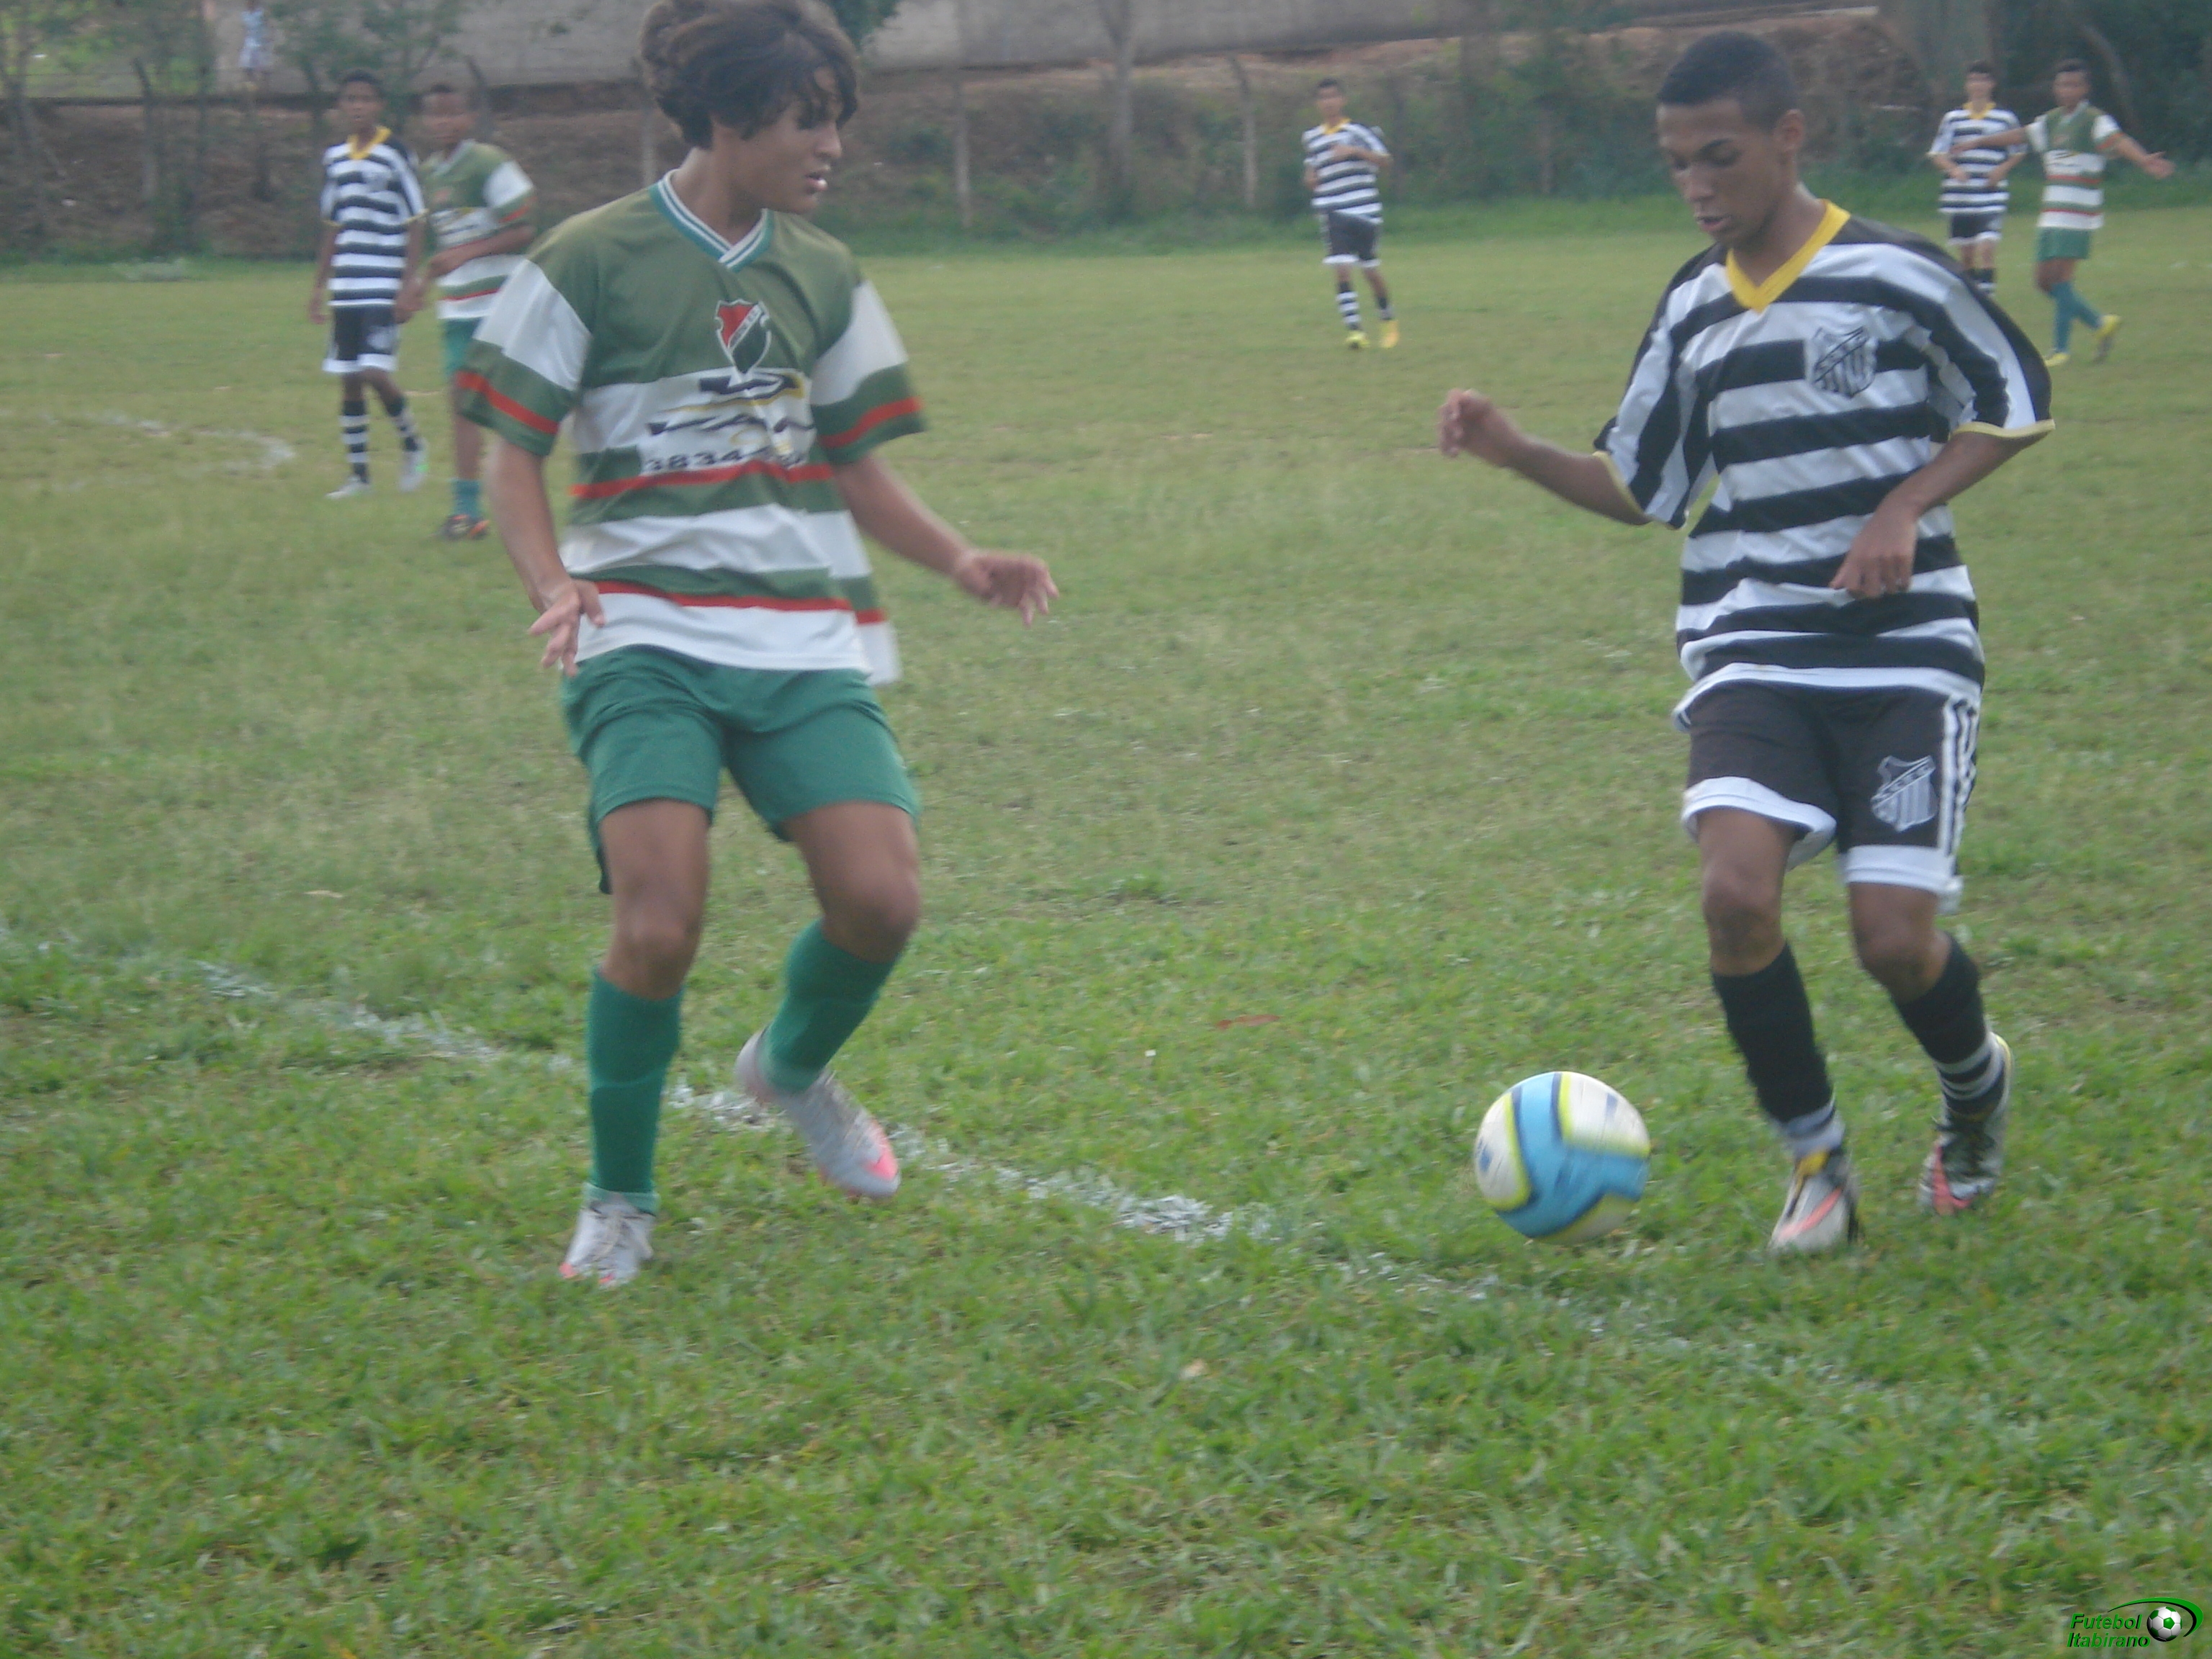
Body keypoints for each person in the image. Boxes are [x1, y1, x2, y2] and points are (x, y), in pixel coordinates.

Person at [462, 0, 1058, 1287]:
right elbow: (511, 452)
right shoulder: (587, 258)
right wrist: (553, 580)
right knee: (660, 918)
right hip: (639, 633)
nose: (831, 144)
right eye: (808, 119)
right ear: (729, 119)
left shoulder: (826, 271)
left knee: (883, 900)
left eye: (836, 119)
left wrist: (961, 559)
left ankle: (786, 1070)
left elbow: (857, 467)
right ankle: (619, 1199)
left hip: (797, 637)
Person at [1438, 32, 2051, 1253]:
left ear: (1787, 136)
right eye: (1676, 164)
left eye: (1717, 156)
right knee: (1733, 895)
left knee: (1893, 939)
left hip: (1905, 649)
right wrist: (1514, 451)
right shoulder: (1693, 306)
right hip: (1755, 640)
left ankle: (1974, 1086)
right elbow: (1643, 487)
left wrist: (1902, 506)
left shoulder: (1895, 273)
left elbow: (2016, 400)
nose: (1697, 185)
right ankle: (1815, 1162)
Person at [1956, 60, 2174, 367]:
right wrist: (1980, 141)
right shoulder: (2052, 121)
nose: (2066, 90)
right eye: (2061, 85)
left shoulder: (2094, 120)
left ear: (2085, 89)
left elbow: (2119, 141)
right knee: (2043, 282)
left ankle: (2061, 349)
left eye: (2073, 85)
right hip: (2052, 211)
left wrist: (2144, 160)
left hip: (2077, 212)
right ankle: (2100, 323)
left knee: (2061, 279)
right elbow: (2021, 135)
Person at [397, 84, 537, 539]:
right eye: (435, 115)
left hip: (504, 302)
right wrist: (417, 285)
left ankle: (523, 504)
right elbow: (436, 241)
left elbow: (524, 228)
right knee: (461, 402)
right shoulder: (429, 172)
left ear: (470, 117)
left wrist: (467, 253)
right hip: (458, 309)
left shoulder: (488, 164)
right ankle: (466, 512)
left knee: (514, 409)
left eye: (453, 113)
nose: (444, 122)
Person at [309, 70, 428, 499]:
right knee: (349, 377)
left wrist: (408, 283)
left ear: (379, 105)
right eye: (350, 98)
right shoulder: (335, 158)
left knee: (375, 372)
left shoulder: (396, 154)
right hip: (347, 284)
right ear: (341, 105)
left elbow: (417, 220)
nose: (357, 106)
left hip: (384, 280)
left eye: (365, 99)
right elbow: (333, 224)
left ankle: (413, 445)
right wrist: (318, 286)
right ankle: (359, 478)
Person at [1300, 78, 1395, 350]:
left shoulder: (1359, 132)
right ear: (1317, 104)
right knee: (1342, 269)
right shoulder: (1312, 137)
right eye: (1323, 98)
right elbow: (1312, 168)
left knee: (1370, 271)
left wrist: (1354, 151)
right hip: (1333, 212)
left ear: (1342, 100)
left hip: (1364, 210)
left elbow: (1386, 161)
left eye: (1333, 96)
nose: (1328, 102)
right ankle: (1355, 331)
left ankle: (1387, 317)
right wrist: (1310, 178)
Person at [1927, 62, 2021, 297]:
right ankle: (1973, 298)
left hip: (1990, 193)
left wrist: (2002, 170)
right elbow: (1937, 153)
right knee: (1967, 256)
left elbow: (2019, 150)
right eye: (1973, 80)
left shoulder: (2005, 118)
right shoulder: (1953, 118)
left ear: (1992, 84)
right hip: (1960, 196)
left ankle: (1988, 300)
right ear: (1967, 85)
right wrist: (1953, 169)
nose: (1977, 85)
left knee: (1987, 248)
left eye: (1983, 80)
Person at [238, 1, 274, 91]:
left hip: (261, 42)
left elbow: (269, 26)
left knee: (263, 65)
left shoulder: (261, 13)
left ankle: (266, 87)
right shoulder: (245, 15)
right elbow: (245, 29)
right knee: (246, 64)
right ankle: (251, 84)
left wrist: (269, 37)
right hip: (249, 42)